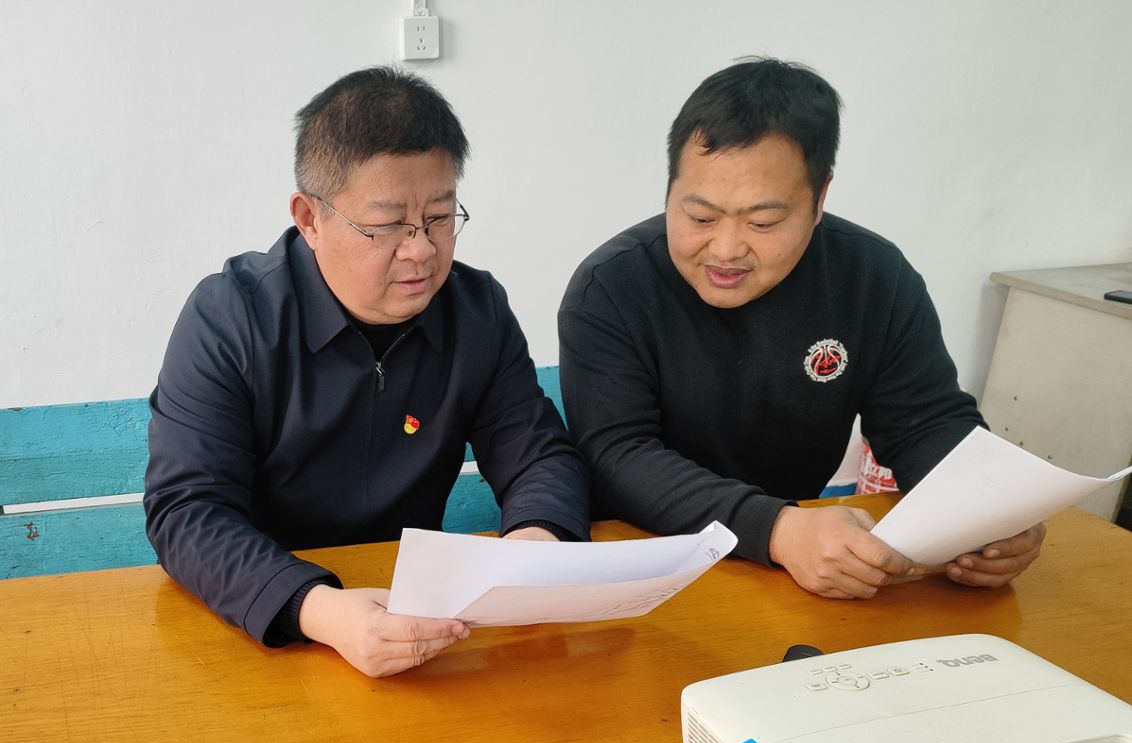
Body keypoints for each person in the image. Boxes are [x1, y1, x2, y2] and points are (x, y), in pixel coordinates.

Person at [145, 66, 589, 677]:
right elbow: (187, 510)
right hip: (262, 627)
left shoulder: (476, 311)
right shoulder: (231, 317)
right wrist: (319, 610)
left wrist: (536, 540)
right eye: (386, 226)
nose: (421, 250)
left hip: (417, 621)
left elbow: (539, 455)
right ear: (310, 218)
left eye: (439, 217)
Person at [558, 58, 1043, 600]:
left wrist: (988, 507)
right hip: (641, 565)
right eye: (699, 217)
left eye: (763, 222)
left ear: (820, 197)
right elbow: (618, 455)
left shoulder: (872, 277)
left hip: (796, 575)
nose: (725, 249)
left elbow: (924, 422)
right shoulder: (613, 285)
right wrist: (778, 530)